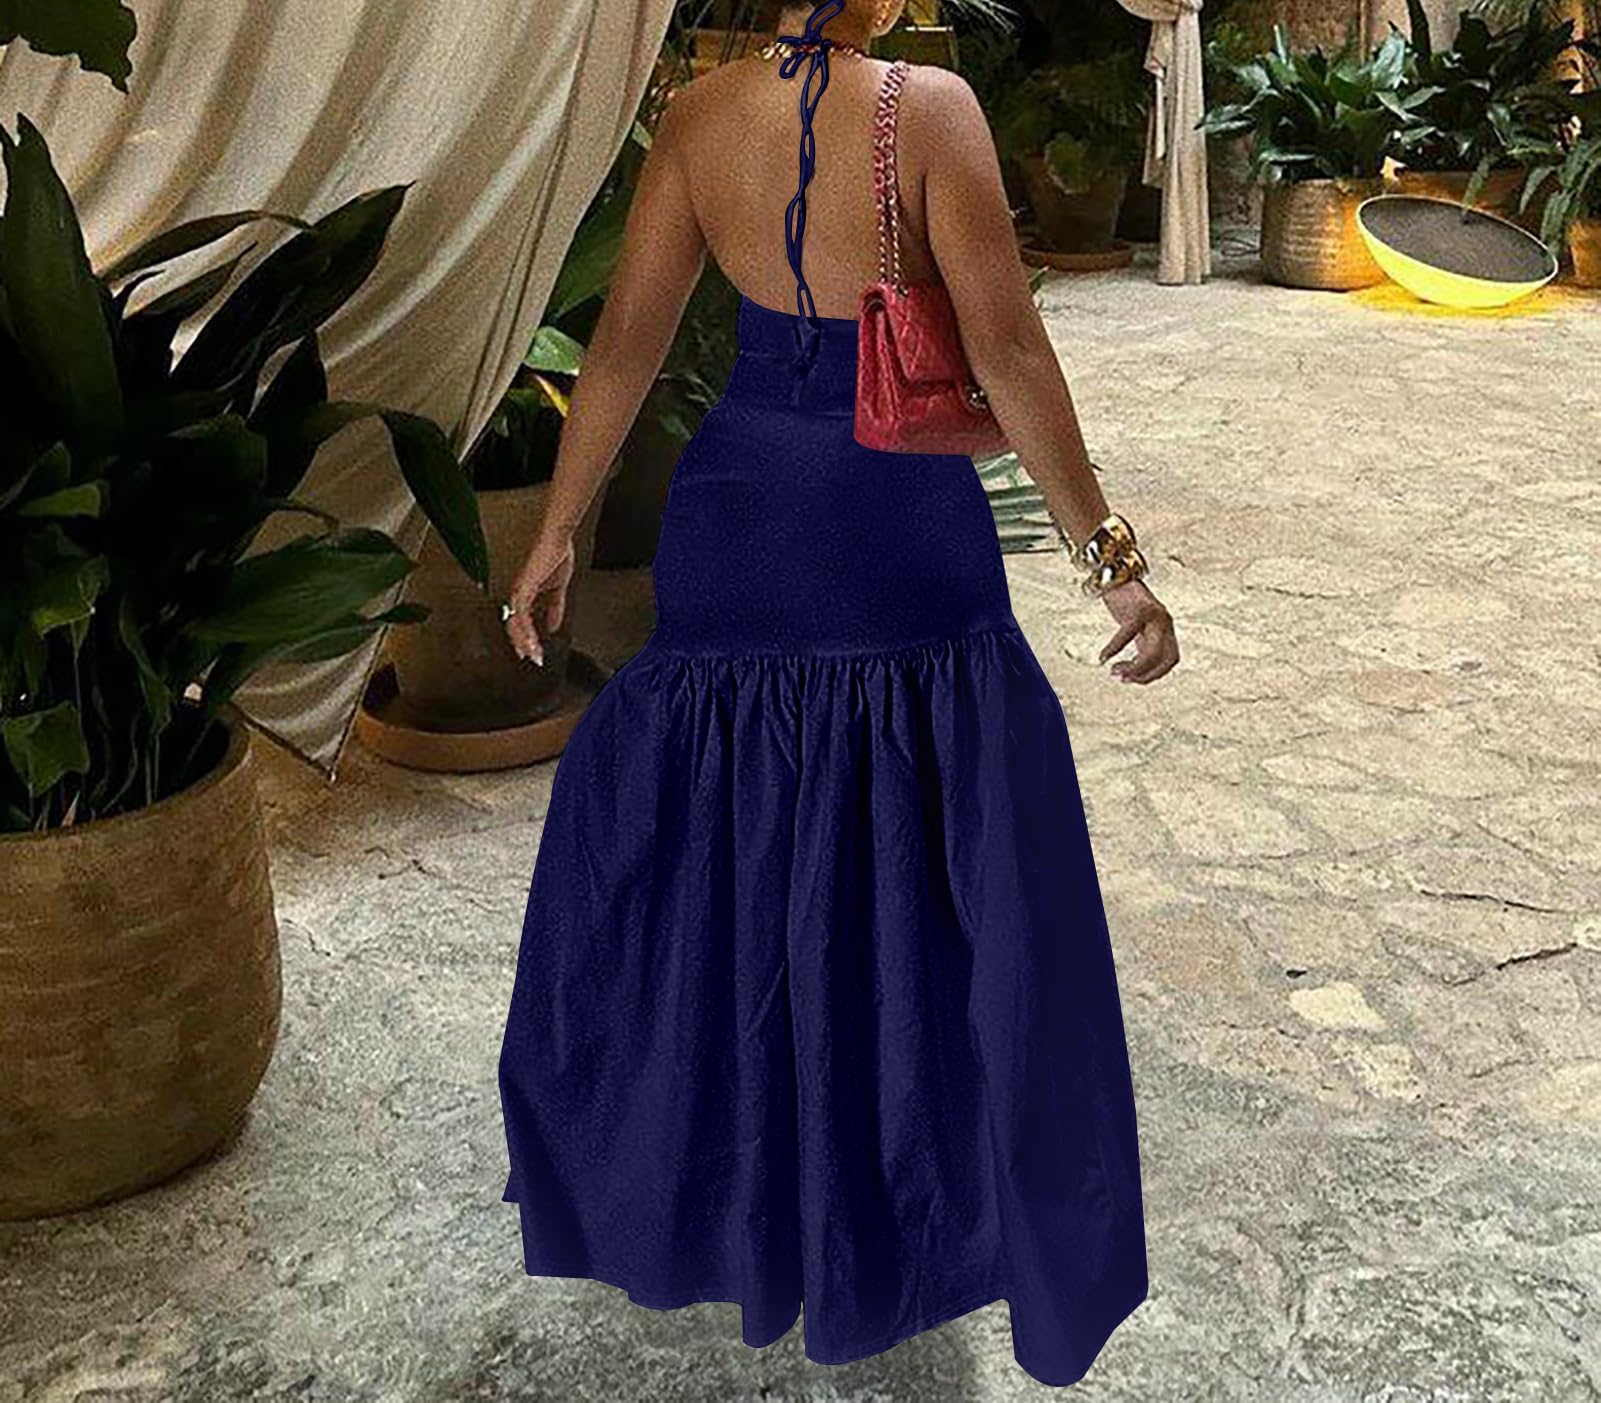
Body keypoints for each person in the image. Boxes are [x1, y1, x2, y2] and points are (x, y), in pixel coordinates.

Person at [497, 0, 1179, 1387]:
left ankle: (744, 1200)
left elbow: (625, 344)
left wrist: (556, 529)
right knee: (918, 870)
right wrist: (1111, 563)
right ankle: (897, 1204)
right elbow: (1006, 351)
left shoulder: (696, 119)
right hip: (892, 525)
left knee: (740, 867)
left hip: (738, 512)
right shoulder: (930, 111)